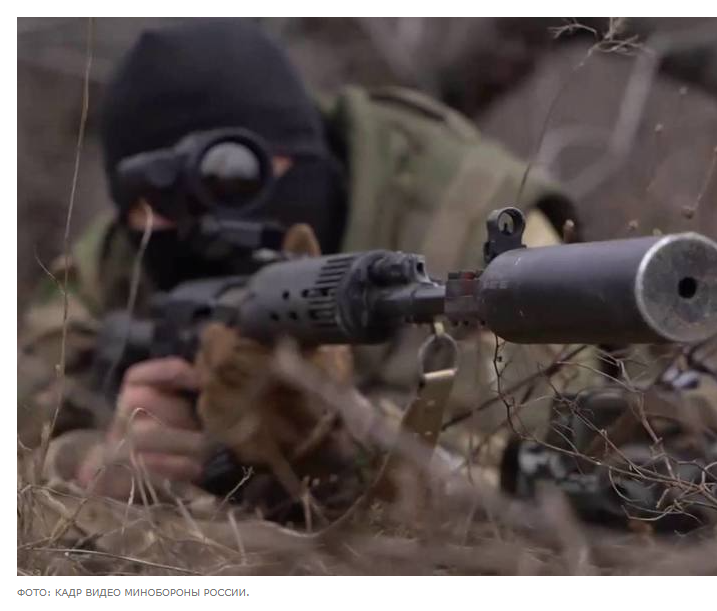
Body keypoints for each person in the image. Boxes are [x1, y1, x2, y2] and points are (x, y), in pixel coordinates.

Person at [18, 20, 579, 517]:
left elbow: (526, 485)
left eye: (235, 177)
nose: (196, 221)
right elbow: (23, 419)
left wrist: (326, 437)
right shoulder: (118, 253)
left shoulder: (482, 232)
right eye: (154, 204)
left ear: (304, 150)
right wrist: (91, 462)